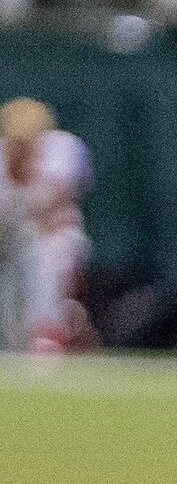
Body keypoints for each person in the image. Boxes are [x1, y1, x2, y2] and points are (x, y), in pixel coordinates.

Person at [0, 96, 89, 351]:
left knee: (45, 251)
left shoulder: (61, 153)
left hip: (51, 238)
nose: (24, 148)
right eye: (18, 141)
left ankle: (47, 331)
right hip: (8, 243)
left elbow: (60, 215)